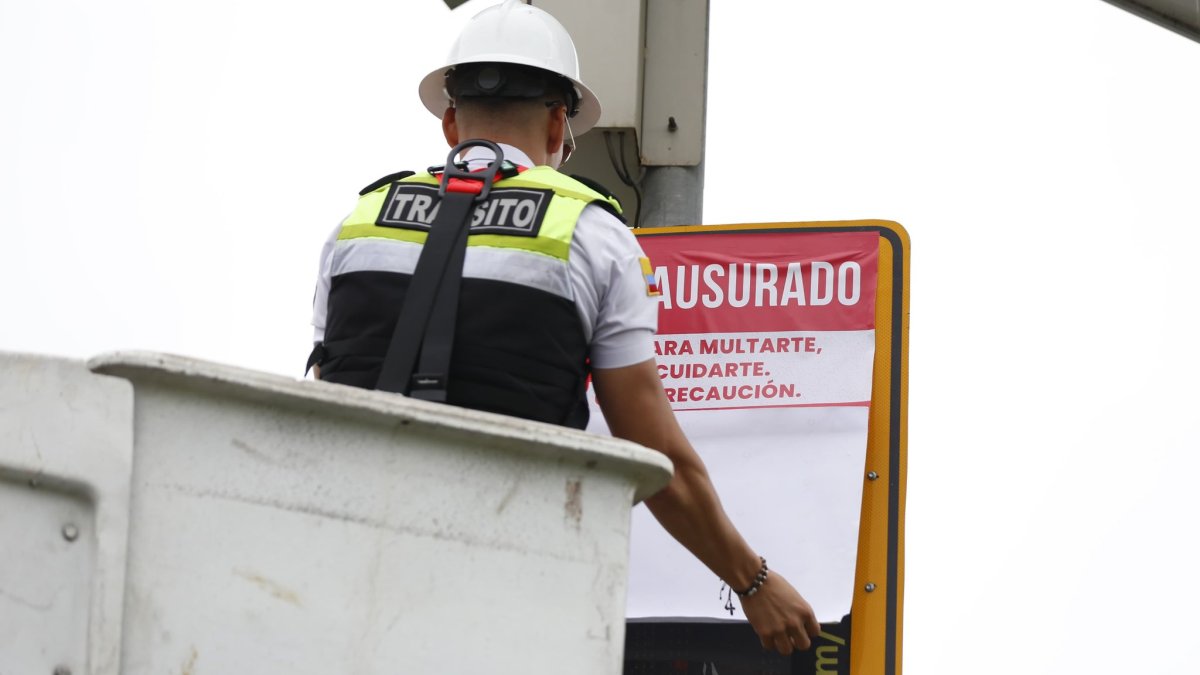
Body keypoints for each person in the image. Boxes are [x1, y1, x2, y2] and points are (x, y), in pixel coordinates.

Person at [308, 0, 820, 655]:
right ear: (558, 123)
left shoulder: (356, 223)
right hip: (513, 584)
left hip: (349, 578)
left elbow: (328, 394)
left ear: (450, 123)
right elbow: (658, 456)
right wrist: (752, 582)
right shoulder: (596, 236)